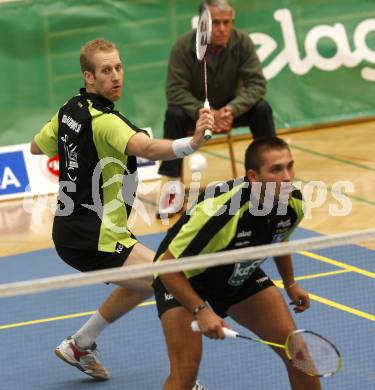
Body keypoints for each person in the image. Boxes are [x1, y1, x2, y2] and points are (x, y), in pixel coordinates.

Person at [30, 38, 213, 389]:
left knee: (146, 281)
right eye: (105, 71)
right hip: (93, 236)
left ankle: (79, 345)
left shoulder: (70, 109)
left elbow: (37, 147)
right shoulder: (105, 122)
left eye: (118, 67)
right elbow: (145, 147)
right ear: (89, 76)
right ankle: (185, 381)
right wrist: (192, 143)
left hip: (79, 230)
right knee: (171, 284)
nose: (115, 76)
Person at [153, 137, 322, 390]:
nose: (287, 177)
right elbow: (167, 267)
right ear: (253, 177)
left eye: (289, 166)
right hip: (182, 276)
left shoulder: (293, 203)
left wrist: (290, 283)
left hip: (236, 272)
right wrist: (201, 310)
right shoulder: (222, 211)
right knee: (185, 373)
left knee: (298, 355)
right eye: (276, 169)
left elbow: (280, 238)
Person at [157, 0, 276, 216]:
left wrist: (231, 109)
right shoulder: (183, 46)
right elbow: (175, 91)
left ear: (232, 22)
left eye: (226, 22)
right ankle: (173, 188)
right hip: (197, 113)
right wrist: (203, 113)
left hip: (231, 111)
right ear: (203, 24)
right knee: (173, 114)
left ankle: (267, 179)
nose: (222, 28)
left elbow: (257, 84)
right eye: (215, 23)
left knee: (262, 109)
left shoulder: (242, 42)